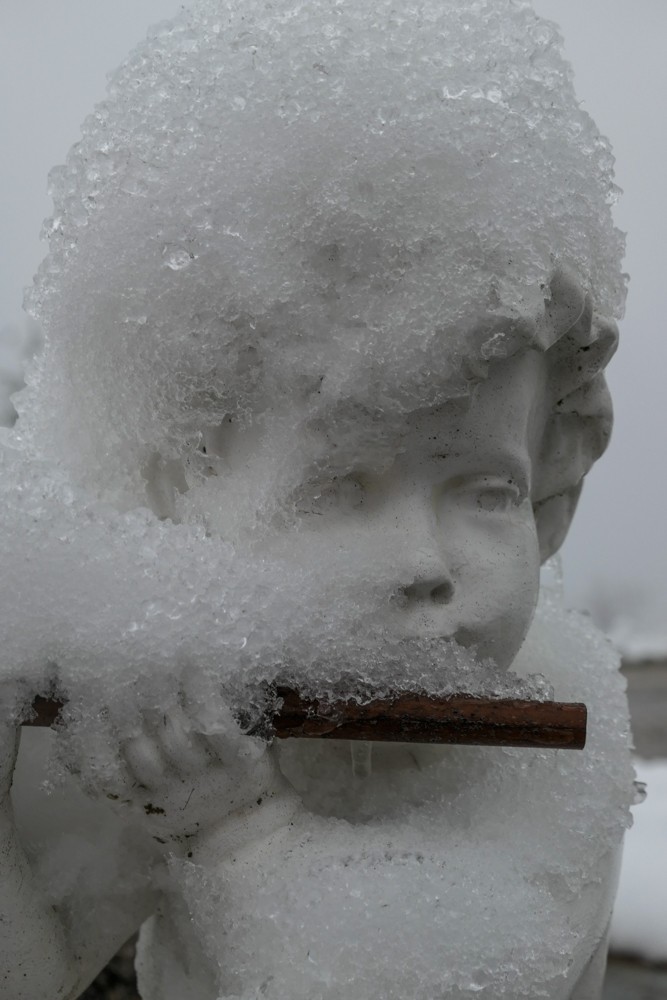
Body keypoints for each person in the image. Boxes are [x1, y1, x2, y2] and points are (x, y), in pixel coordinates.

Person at [0, 1, 633, 997]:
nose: (426, 561)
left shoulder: (548, 759)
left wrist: (241, 831)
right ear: (195, 491)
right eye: (344, 486)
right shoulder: (190, 710)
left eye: (486, 490)